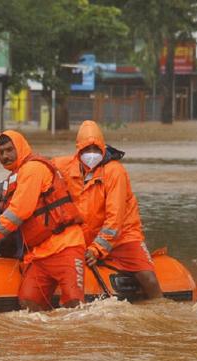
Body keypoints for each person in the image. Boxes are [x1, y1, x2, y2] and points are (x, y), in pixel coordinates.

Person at [0, 130, 85, 312]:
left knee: (74, 303)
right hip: (39, 253)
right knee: (29, 303)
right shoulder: (13, 179)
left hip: (65, 246)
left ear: (21, 147)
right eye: (0, 152)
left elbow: (18, 212)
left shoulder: (33, 169)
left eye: (9, 150)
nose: (5, 156)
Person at [54, 120, 163, 299]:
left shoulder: (115, 172)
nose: (91, 154)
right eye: (86, 150)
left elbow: (115, 219)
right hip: (84, 235)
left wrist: (97, 249)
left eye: (95, 149)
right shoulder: (66, 166)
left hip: (123, 237)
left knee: (148, 278)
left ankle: (161, 305)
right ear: (78, 149)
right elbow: (40, 168)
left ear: (103, 148)